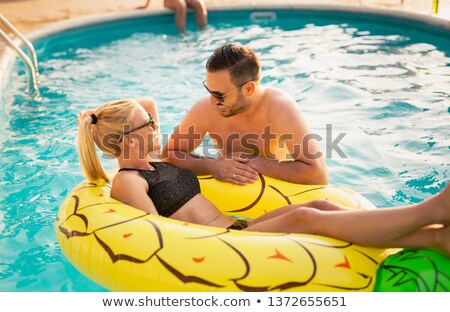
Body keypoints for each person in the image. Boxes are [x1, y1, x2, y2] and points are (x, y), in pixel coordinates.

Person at [77, 98, 450, 256]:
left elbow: (146, 105)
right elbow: (159, 234)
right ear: (126, 138)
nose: (157, 124)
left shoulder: (153, 159)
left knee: (319, 203)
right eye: (149, 124)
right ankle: (430, 212)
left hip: (237, 226)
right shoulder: (128, 181)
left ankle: (433, 240)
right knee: (306, 217)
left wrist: (100, 117)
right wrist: (109, 128)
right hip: (218, 242)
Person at [163, 43, 328, 186]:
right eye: (209, 91)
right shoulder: (206, 109)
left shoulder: (280, 108)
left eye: (219, 95)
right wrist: (212, 166)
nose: (212, 102)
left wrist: (253, 162)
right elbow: (168, 154)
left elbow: (317, 174)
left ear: (249, 89)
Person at [139, 0, 207, 32]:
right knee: (181, 6)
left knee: (199, 5)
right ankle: (182, 36)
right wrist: (147, 4)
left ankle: (202, 33)